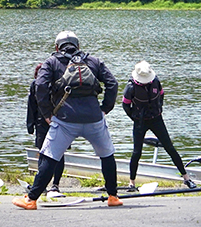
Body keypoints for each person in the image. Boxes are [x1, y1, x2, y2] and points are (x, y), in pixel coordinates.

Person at [13, 31, 122, 210]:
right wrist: (104, 109)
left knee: (49, 156)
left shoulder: (51, 62)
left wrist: (47, 114)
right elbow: (113, 84)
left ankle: (31, 200)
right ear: (78, 46)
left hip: (65, 120)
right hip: (94, 119)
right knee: (107, 155)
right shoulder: (94, 61)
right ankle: (113, 196)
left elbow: (39, 86)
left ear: (57, 47)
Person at [122, 60, 197, 190]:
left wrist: (159, 109)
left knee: (170, 148)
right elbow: (125, 105)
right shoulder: (131, 87)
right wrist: (134, 118)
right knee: (136, 152)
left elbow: (161, 95)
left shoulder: (156, 81)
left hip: (156, 119)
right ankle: (132, 183)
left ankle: (186, 178)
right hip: (140, 121)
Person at [26, 63, 65, 195]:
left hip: (57, 120)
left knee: (58, 154)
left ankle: (55, 184)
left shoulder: (58, 84)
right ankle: (42, 185)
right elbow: (31, 105)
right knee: (43, 153)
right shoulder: (34, 85)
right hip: (41, 123)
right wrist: (30, 124)